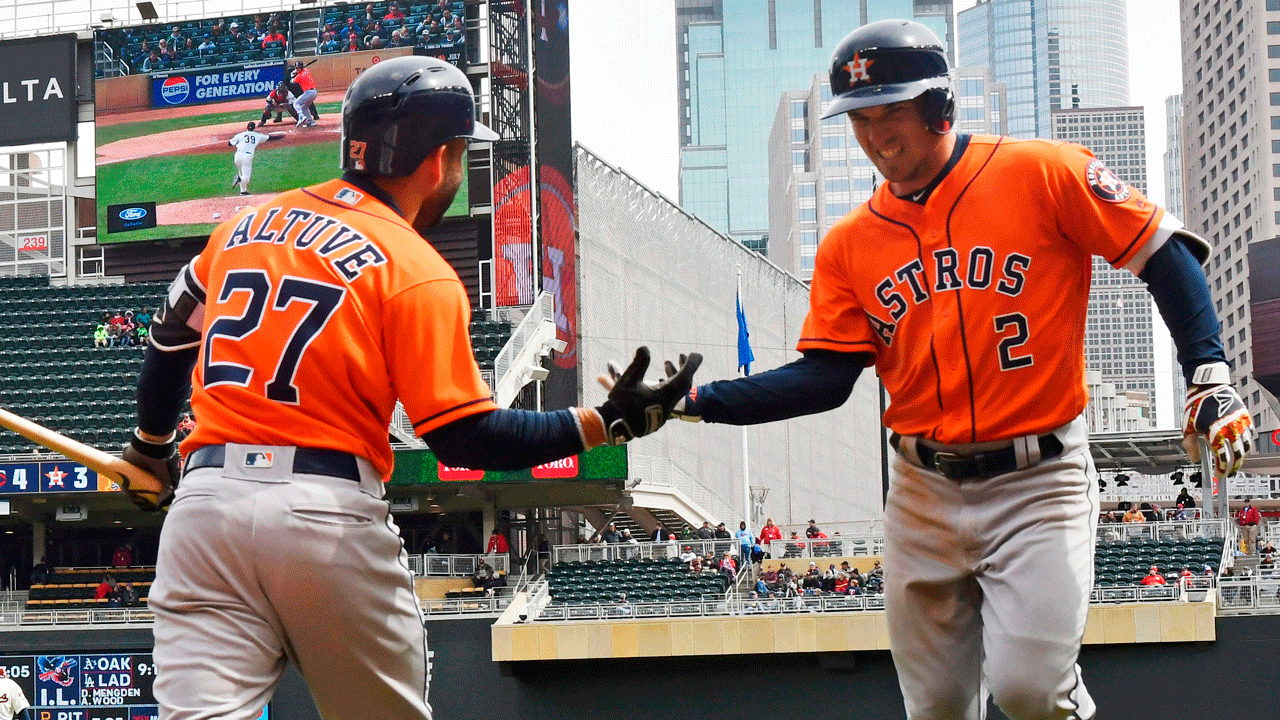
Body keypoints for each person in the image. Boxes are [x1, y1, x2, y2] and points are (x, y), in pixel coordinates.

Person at [663, 19, 1254, 720]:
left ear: (940, 106)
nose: (878, 138)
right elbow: (822, 379)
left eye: (892, 114)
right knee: (939, 707)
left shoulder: (1041, 172)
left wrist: (1208, 375)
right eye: (860, 121)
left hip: (1040, 480)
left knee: (1031, 691)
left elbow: (1164, 251)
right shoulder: (850, 245)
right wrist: (693, 401)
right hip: (922, 492)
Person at [116, 56, 700, 720]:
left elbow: (169, 338)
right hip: (322, 513)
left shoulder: (242, 229)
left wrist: (149, 445)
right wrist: (605, 423)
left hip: (205, 509)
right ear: (438, 159)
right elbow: (463, 433)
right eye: (459, 156)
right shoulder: (416, 267)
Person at [227, 121, 280, 196]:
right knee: (246, 178)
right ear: (254, 128)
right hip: (247, 157)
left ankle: (243, 191)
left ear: (247, 127)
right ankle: (239, 180)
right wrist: (282, 136)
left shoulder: (240, 135)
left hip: (237, 156)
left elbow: (229, 143)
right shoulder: (257, 135)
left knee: (241, 172)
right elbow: (270, 138)